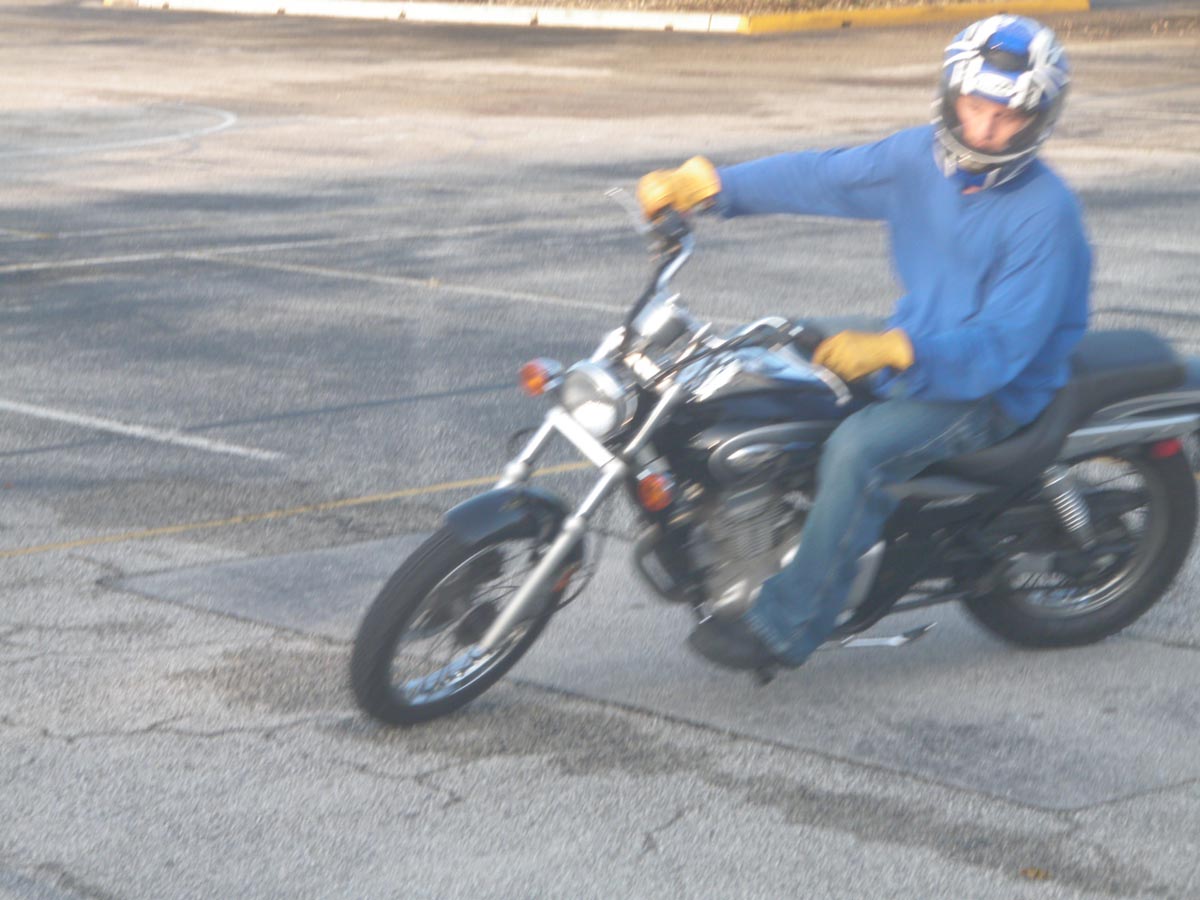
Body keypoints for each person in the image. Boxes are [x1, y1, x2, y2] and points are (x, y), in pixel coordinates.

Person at [635, 15, 1092, 672]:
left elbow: (1004, 345)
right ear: (950, 95)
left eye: (1008, 115)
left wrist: (901, 351)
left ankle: (788, 625)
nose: (985, 127)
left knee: (859, 450)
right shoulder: (919, 160)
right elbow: (826, 177)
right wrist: (715, 187)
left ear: (1038, 118)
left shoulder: (1045, 213)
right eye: (974, 105)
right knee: (774, 357)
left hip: (994, 388)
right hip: (925, 341)